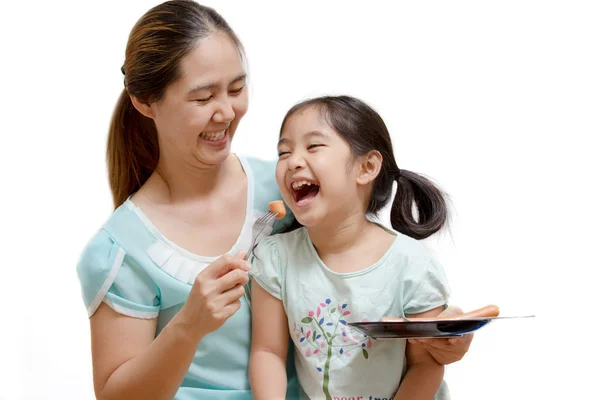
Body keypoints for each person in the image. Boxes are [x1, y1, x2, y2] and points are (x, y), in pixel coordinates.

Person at [76, 1, 472, 399]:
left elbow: (377, 268)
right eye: (202, 98)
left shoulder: (287, 193)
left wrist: (439, 339)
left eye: (236, 88)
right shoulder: (123, 249)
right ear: (145, 102)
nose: (227, 112)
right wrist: (188, 325)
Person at [249, 95, 457, 400]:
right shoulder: (274, 258)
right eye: (284, 151)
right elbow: (268, 352)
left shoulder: (413, 266)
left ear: (367, 167)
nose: (292, 161)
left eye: (313, 146)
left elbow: (425, 366)